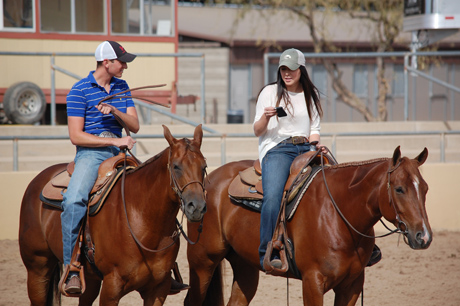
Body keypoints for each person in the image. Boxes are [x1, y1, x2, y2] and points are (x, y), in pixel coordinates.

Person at [61, 40, 189, 295]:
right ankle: (72, 266)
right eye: (122, 62)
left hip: (121, 153)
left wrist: (115, 113)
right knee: (74, 200)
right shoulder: (79, 91)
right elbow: (76, 136)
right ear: (106, 62)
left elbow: (135, 125)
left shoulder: (121, 87)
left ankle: (167, 266)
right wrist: (115, 139)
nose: (125, 67)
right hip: (92, 154)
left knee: (157, 193)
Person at [253, 48, 323, 270]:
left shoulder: (310, 95)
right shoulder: (269, 92)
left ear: (301, 70)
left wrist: (315, 144)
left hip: (306, 146)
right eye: (283, 68)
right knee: (273, 196)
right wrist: (265, 117)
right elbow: (257, 130)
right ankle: (268, 250)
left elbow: (315, 128)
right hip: (277, 149)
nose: (287, 73)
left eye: (291, 68)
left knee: (335, 180)